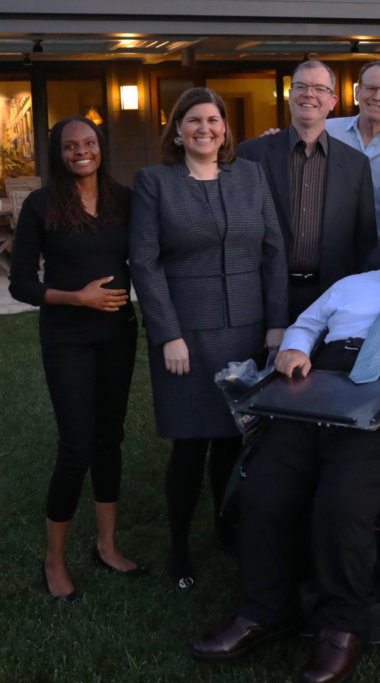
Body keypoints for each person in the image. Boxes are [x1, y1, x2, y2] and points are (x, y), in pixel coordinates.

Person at [191, 204, 380, 683]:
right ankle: (265, 610)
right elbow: (309, 324)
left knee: (342, 501)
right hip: (320, 392)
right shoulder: (350, 287)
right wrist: (294, 347)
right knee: (263, 489)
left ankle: (341, 626)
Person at [130, 87, 288, 589]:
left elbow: (274, 251)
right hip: (187, 336)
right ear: (177, 130)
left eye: (214, 120)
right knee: (189, 444)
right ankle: (179, 547)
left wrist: (277, 323)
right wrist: (168, 334)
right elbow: (145, 263)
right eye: (194, 120)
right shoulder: (155, 182)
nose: (205, 129)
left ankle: (225, 529)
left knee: (230, 443)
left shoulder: (251, 175)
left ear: (225, 129)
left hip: (245, 330)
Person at [9, 116, 144, 600]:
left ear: (100, 147)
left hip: (117, 335)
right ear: (58, 153)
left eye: (89, 143)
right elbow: (20, 282)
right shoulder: (43, 204)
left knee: (109, 439)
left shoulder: (122, 199)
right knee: (76, 446)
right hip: (67, 336)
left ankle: (107, 546)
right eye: (71, 146)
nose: (81, 152)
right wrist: (76, 298)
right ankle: (55, 559)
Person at [237, 59, 377, 321]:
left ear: (333, 100)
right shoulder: (252, 155)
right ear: (290, 96)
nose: (309, 94)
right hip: (262, 294)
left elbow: (364, 241)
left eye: (319, 89)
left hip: (332, 297)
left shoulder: (356, 164)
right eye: (300, 86)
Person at [325, 59, 380, 266]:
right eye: (371, 88)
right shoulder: (325, 131)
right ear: (358, 92)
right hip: (329, 254)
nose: (377, 97)